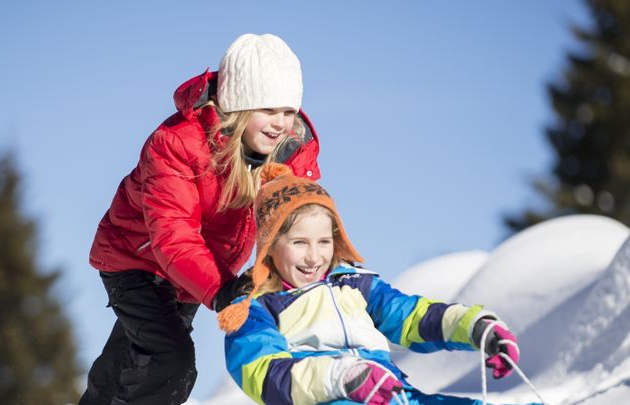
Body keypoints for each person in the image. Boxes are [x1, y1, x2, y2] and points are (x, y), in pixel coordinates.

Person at [82, 34, 323, 405]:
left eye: (289, 111)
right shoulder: (178, 142)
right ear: (240, 106)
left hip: (202, 268)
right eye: (268, 109)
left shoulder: (289, 154)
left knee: (135, 358)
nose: (280, 124)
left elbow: (299, 222)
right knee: (170, 363)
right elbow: (173, 235)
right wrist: (222, 289)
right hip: (136, 258)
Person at [217, 164, 525, 405]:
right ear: (271, 246)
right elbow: (265, 375)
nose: (314, 257)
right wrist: (344, 377)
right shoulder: (256, 309)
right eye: (299, 243)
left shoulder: (354, 285)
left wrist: (475, 327)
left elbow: (412, 316)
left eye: (324, 242)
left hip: (390, 394)